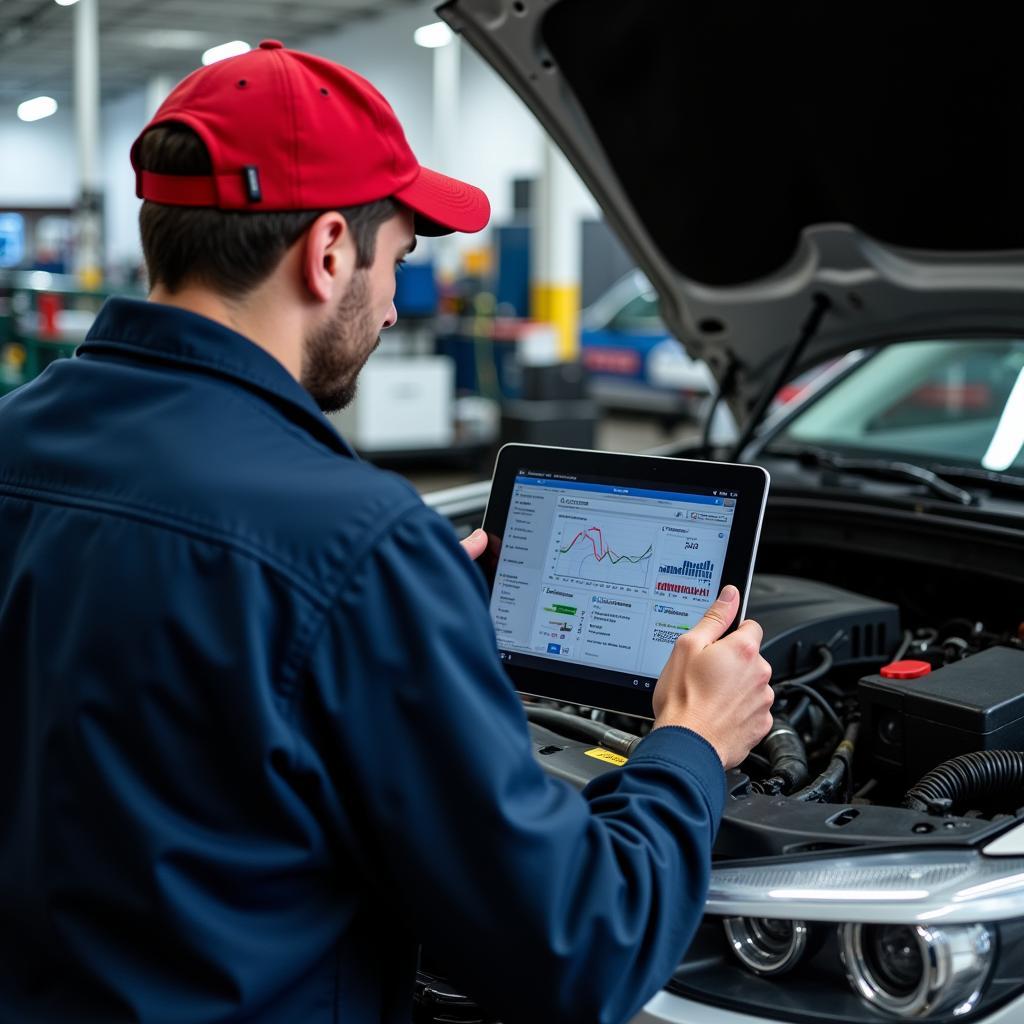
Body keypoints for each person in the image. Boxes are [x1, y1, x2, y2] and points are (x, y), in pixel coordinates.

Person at [0, 41, 773, 1024]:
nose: (396, 299)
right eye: (399, 256)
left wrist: (375, 621)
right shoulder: (353, 543)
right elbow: (582, 950)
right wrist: (691, 743)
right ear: (328, 251)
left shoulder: (18, 439)